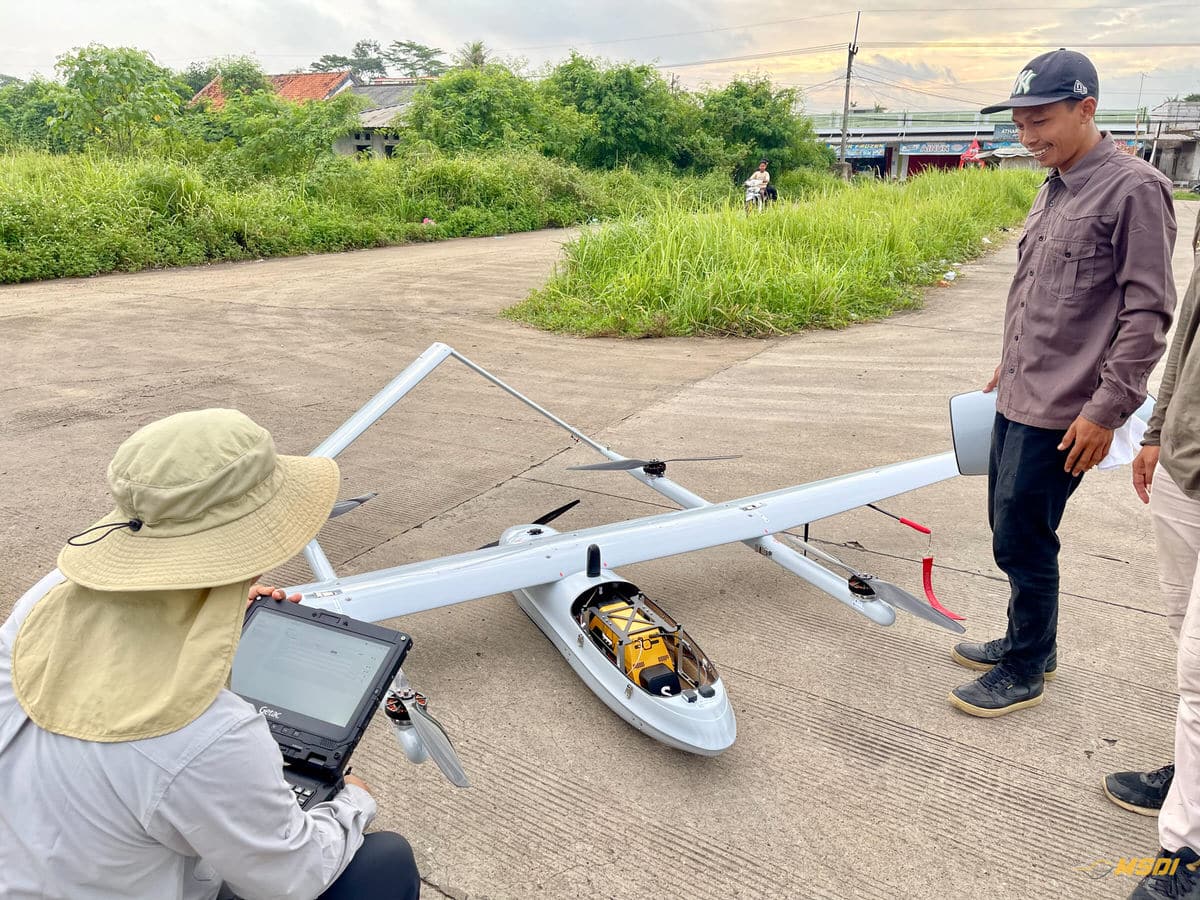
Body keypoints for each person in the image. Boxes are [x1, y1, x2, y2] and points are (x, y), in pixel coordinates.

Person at [0, 409, 421, 900]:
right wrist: (353, 802)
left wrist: (213, 614)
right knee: (383, 863)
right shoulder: (210, 733)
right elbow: (291, 879)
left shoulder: (45, 602)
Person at [947, 48, 1178, 717]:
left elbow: (1147, 313)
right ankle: (1031, 641)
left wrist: (1106, 411)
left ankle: (1025, 668)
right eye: (1019, 124)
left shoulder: (1134, 190)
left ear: (1086, 109)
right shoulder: (1054, 184)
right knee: (1006, 525)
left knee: (1025, 536)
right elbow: (1044, 293)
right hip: (1021, 390)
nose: (1027, 137)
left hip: (1067, 408)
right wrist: (1009, 360)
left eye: (1040, 121)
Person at [1104, 211, 1200, 900]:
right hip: (1185, 466)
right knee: (1183, 640)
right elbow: (1190, 323)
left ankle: (1185, 850)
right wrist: (1158, 431)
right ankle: (1191, 778)